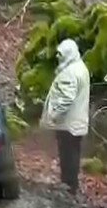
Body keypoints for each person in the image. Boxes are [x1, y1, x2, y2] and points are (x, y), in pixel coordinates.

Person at [39, 39, 90, 195]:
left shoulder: (70, 73)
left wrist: (53, 115)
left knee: (67, 154)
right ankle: (71, 184)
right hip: (77, 121)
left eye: (61, 54)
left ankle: (68, 185)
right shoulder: (81, 68)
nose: (59, 57)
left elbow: (66, 98)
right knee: (73, 153)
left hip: (67, 123)